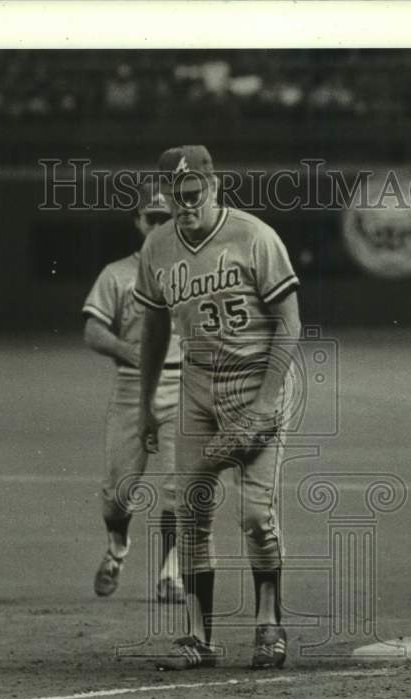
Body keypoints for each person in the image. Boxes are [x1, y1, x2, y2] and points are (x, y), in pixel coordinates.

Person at [134, 145, 301, 669]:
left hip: (257, 379)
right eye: (172, 195)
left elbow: (290, 324)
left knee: (254, 515)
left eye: (191, 193)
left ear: (214, 186)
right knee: (191, 512)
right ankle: (198, 638)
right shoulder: (157, 248)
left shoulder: (254, 236)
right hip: (196, 387)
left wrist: (265, 404)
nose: (183, 205)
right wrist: (145, 404)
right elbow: (155, 329)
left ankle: (269, 625)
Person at [82, 181, 185, 604]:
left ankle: (170, 574)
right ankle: (117, 550)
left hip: (184, 385)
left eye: (166, 217)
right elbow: (92, 330)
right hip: (131, 387)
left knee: (179, 487)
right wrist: (132, 352)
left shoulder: (194, 273)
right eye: (152, 217)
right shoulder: (118, 274)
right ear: (138, 221)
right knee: (118, 491)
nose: (159, 224)